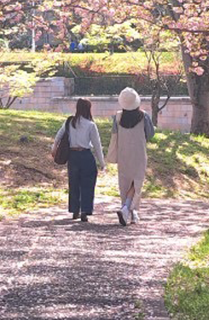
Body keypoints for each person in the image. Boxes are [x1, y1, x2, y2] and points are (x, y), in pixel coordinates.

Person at [106, 86, 155, 225]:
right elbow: (150, 134)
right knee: (137, 182)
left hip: (123, 153)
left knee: (124, 183)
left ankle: (130, 211)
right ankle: (127, 208)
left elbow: (114, 135)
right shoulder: (143, 115)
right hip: (139, 153)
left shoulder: (118, 117)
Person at [53, 98, 105, 223]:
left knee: (74, 183)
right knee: (87, 184)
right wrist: (102, 163)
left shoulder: (70, 122)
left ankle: (74, 209)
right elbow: (97, 145)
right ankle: (85, 211)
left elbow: (58, 136)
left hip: (73, 156)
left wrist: (54, 149)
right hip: (86, 155)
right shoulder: (91, 125)